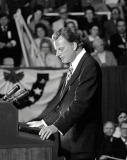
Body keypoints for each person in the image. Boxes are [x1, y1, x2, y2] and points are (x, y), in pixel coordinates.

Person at [27, 27, 103, 160]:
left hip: (83, 144)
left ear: (74, 45)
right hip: (71, 142)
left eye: (60, 49)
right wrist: (44, 123)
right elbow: (64, 104)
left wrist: (55, 126)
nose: (57, 54)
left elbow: (80, 103)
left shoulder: (89, 65)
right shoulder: (75, 64)